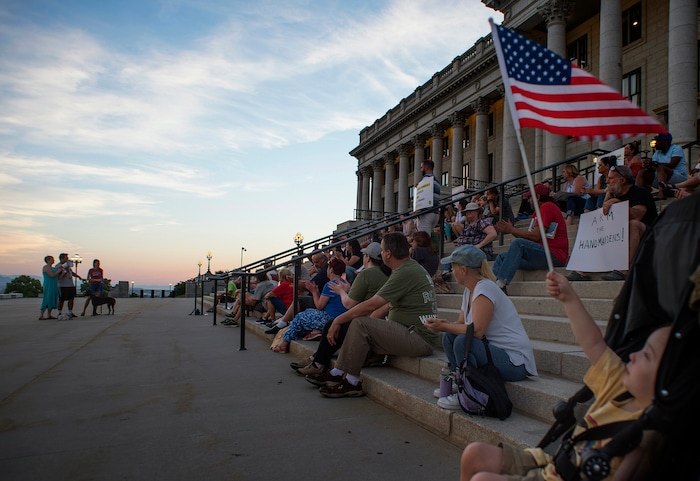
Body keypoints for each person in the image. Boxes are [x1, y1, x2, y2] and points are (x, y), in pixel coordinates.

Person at [459, 270, 671, 481]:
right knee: (473, 453)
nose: (633, 356)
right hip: (552, 460)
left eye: (647, 355)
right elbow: (594, 343)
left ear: (665, 378)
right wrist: (568, 298)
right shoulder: (618, 384)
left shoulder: (645, 433)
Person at [305, 232, 438, 398]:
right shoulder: (409, 268)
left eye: (382, 250)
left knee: (360, 323)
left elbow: (371, 304)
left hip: (417, 337)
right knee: (362, 325)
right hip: (413, 333)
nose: (381, 254)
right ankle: (338, 372)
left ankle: (350, 381)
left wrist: (338, 321)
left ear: (388, 253)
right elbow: (386, 306)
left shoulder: (404, 272)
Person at [425, 245, 537, 410]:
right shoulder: (469, 291)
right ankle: (462, 382)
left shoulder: (485, 288)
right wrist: (443, 325)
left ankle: (469, 391)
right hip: (495, 354)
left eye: (453, 267)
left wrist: (445, 326)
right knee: (450, 337)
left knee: (462, 341)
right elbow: (461, 324)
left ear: (464, 270)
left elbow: (476, 331)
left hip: (515, 363)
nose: (451, 271)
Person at [292, 242, 392, 376]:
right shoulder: (386, 275)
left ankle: (318, 363)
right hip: (378, 321)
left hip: (366, 321)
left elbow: (349, 305)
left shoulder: (366, 274)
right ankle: (315, 359)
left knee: (333, 324)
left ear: (367, 258)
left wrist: (341, 292)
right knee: (336, 324)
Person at [492, 184, 569, 293]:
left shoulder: (547, 206)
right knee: (501, 257)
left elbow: (536, 236)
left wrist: (512, 230)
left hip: (555, 255)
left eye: (530, 197)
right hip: (540, 254)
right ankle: (499, 288)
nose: (528, 201)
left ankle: (500, 284)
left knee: (518, 243)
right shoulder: (536, 213)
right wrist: (512, 230)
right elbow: (529, 239)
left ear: (537, 197)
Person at [271, 258, 348, 353]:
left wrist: (313, 292)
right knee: (308, 311)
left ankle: (283, 344)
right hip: (340, 318)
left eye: (328, 268)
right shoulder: (346, 283)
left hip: (329, 319)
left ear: (331, 270)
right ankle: (314, 332)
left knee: (299, 317)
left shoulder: (330, 285)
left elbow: (319, 306)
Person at [599, 165, 657, 281]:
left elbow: (637, 215)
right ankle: (583, 270)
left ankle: (623, 269)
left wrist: (617, 203)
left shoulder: (640, 192)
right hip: (622, 236)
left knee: (633, 224)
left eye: (611, 178)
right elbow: (603, 219)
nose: (607, 181)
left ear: (623, 180)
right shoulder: (612, 195)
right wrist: (607, 200)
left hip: (650, 236)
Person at [637, 132, 688, 199]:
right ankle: (637, 197)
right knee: (642, 172)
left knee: (661, 167)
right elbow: (654, 167)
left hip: (679, 178)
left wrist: (654, 164)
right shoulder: (657, 152)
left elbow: (672, 165)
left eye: (658, 141)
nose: (656, 143)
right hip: (661, 179)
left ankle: (661, 193)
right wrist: (648, 165)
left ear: (665, 141)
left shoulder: (676, 148)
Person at [413, 159, 441, 234]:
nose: (420, 170)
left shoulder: (427, 181)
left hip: (427, 214)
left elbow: (427, 199)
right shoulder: (436, 181)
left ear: (426, 168)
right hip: (434, 213)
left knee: (424, 239)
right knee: (427, 237)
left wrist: (420, 209)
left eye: (421, 167)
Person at [56, 253, 81, 318]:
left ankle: (70, 312)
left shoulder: (67, 266)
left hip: (70, 285)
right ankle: (59, 312)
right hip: (63, 285)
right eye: (66, 258)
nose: (67, 259)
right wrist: (64, 271)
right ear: (62, 258)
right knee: (62, 299)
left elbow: (71, 272)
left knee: (71, 299)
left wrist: (78, 276)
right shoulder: (58, 266)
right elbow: (58, 277)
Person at [39, 255, 62, 320]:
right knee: (47, 298)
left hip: (54, 284)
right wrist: (58, 271)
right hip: (48, 285)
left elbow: (58, 277)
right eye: (52, 259)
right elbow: (52, 275)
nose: (53, 260)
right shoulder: (46, 267)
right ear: (48, 260)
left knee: (52, 298)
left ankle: (49, 314)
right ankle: (41, 315)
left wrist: (61, 272)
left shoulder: (53, 268)